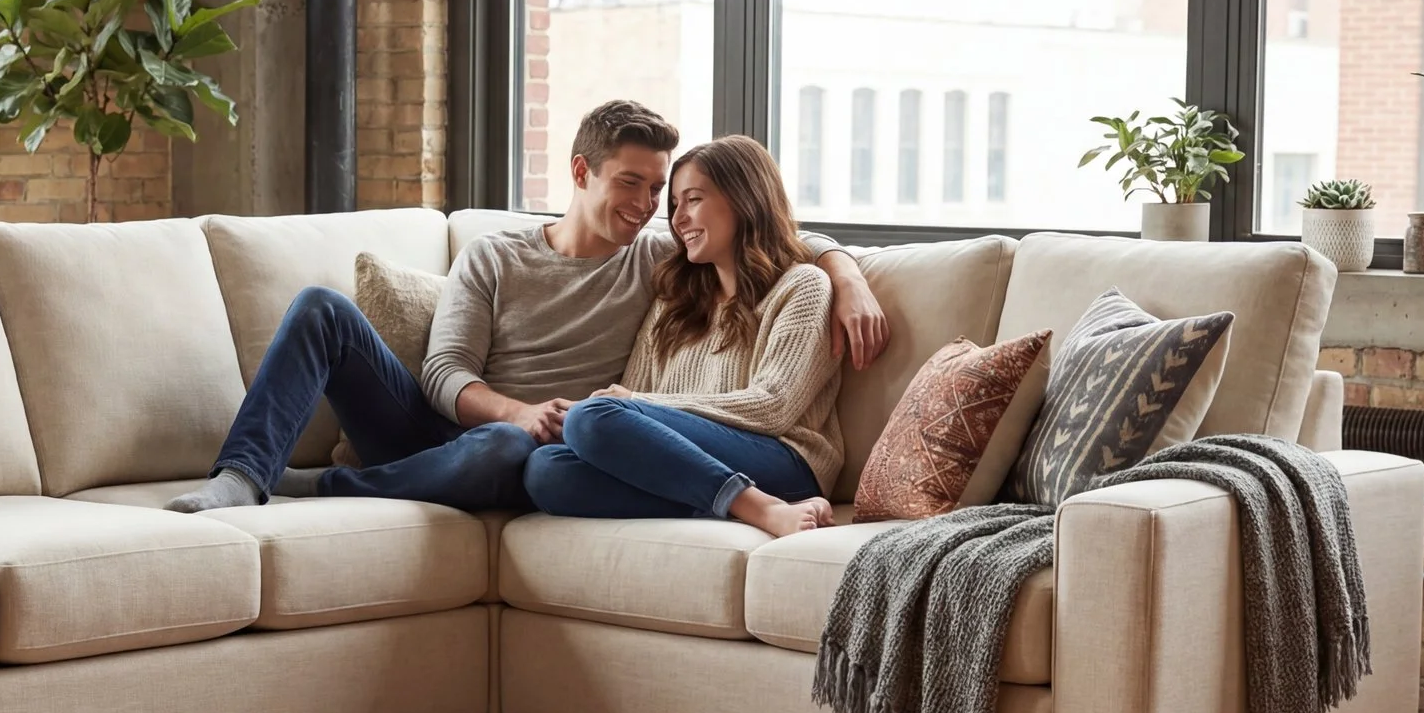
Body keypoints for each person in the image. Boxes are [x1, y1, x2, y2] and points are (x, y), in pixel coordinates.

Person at [165, 101, 887, 514]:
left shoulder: (659, 261)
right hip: (443, 432)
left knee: (527, 460)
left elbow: (760, 233)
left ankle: (326, 485)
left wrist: (844, 269)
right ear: (581, 172)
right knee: (323, 309)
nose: (647, 208)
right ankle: (242, 475)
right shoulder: (494, 256)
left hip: (537, 448)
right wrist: (518, 410)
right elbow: (443, 374)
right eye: (632, 185)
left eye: (659, 191)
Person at [522, 134, 843, 539]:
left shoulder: (802, 286)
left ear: (745, 198)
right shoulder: (674, 301)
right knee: (546, 470)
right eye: (674, 205)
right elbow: (636, 406)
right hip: (694, 461)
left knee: (592, 417)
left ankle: (758, 505)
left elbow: (772, 408)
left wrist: (635, 402)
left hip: (784, 460)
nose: (677, 219)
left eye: (692, 200)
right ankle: (725, 504)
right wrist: (632, 404)